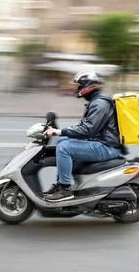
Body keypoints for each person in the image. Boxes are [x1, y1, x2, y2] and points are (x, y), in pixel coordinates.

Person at [42, 71, 122, 202]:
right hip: (101, 142)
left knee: (64, 147)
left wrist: (59, 131)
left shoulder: (100, 104)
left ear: (88, 86)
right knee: (62, 141)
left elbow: (87, 130)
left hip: (107, 146)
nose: (78, 89)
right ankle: (61, 183)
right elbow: (84, 127)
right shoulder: (96, 102)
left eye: (80, 85)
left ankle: (65, 189)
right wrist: (60, 132)